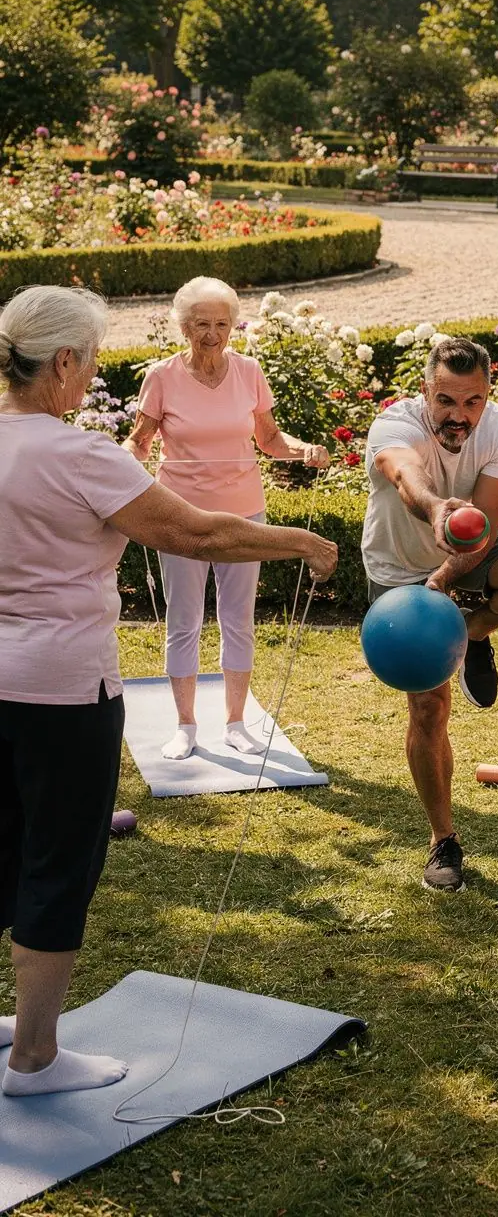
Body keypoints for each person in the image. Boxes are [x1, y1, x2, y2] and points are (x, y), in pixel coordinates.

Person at [0, 284, 337, 1098]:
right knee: (57, 862)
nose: (92, 379)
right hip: (63, 689)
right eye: (90, 362)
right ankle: (35, 1057)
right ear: (65, 361)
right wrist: (300, 539)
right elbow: (197, 530)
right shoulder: (79, 454)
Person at [362, 336, 498, 893]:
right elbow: (405, 474)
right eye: (447, 401)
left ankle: (472, 633)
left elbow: (490, 518)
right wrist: (436, 509)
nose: (459, 415)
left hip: (472, 547)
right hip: (400, 563)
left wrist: (447, 575)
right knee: (429, 706)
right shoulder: (395, 425)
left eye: (472, 402)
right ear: (426, 390)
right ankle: (442, 840)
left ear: (488, 394)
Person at [124, 276, 329, 760]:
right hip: (180, 516)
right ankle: (186, 726)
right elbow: (140, 440)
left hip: (243, 512)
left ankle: (236, 723)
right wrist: (127, 456)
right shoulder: (161, 376)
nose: (212, 333)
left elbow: (272, 441)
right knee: (184, 620)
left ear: (233, 326)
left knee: (239, 619)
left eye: (221, 323)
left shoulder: (249, 371)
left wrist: (306, 450)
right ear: (184, 327)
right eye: (201, 324)